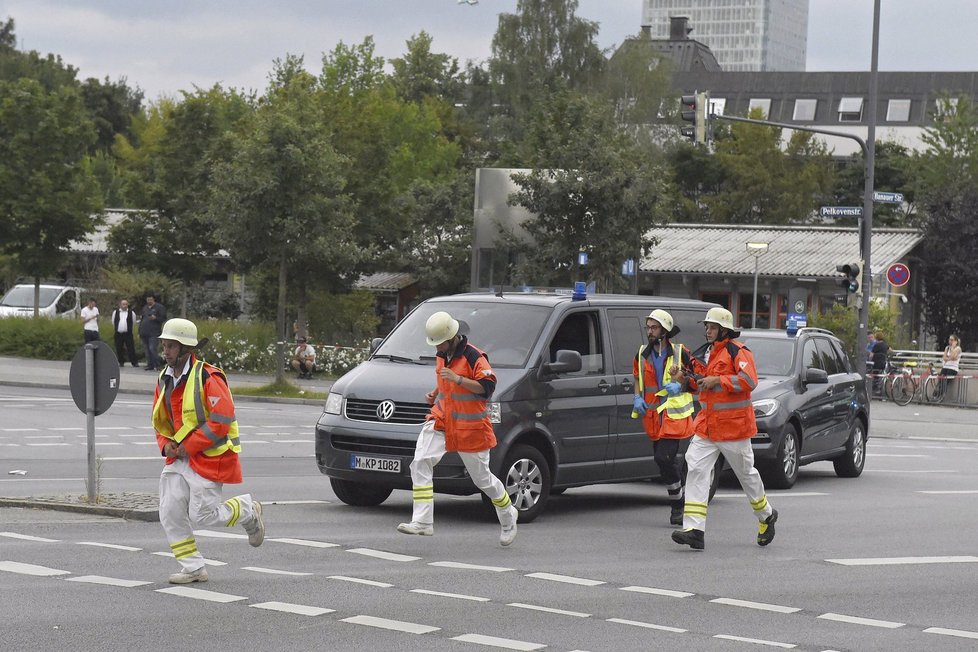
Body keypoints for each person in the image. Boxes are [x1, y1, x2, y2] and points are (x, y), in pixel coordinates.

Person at [152, 318, 264, 584]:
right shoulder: (164, 379)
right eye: (164, 345)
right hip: (179, 457)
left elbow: (221, 421)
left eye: (170, 346)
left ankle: (248, 509)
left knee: (202, 515)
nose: (165, 351)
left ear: (186, 349)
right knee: (169, 509)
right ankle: (193, 568)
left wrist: (187, 447)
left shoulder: (209, 377)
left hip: (209, 458)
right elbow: (159, 420)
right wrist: (165, 445)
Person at [397, 311, 518, 546]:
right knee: (421, 460)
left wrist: (458, 379)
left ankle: (508, 514)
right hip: (442, 419)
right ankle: (422, 522)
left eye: (438, 342)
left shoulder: (474, 357)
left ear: (451, 337)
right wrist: (435, 393)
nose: (436, 347)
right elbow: (446, 384)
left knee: (482, 480)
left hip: (470, 428)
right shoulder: (442, 355)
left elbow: (487, 387)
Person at [671, 307, 777, 551]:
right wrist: (683, 379)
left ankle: (767, 516)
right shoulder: (708, 354)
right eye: (706, 327)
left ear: (724, 330)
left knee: (746, 475)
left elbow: (750, 381)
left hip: (734, 429)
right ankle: (694, 530)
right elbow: (701, 387)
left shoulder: (737, 351)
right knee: (695, 468)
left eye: (712, 327)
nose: (707, 331)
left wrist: (719, 380)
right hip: (707, 427)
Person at [632, 309, 695, 526]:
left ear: (665, 330)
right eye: (648, 327)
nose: (650, 331)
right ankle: (680, 496)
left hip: (674, 416)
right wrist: (637, 397)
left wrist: (680, 384)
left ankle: (678, 505)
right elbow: (637, 378)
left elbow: (695, 376)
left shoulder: (680, 352)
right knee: (663, 462)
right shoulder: (642, 354)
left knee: (663, 458)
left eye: (654, 327)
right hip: (653, 416)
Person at [140, 293, 167, 371]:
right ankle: (150, 364)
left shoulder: (159, 307)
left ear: (154, 299)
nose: (149, 301)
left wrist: (156, 318)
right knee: (146, 349)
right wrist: (140, 331)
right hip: (144, 332)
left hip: (154, 332)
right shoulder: (145, 308)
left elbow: (163, 318)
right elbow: (142, 319)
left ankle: (158, 364)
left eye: (150, 299)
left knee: (152, 348)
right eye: (148, 299)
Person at [111, 298, 139, 367]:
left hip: (128, 333)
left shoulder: (131, 313)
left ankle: (134, 362)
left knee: (131, 348)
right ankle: (121, 361)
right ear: (120, 305)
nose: (125, 306)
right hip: (118, 333)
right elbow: (113, 322)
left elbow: (133, 322)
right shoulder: (115, 312)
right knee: (119, 348)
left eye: (126, 304)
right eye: (123, 304)